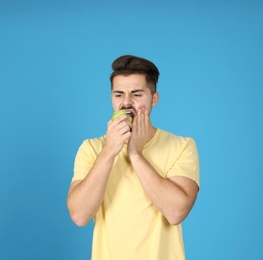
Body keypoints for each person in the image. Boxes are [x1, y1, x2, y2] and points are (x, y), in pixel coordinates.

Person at [67, 55, 200, 260]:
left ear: (153, 99)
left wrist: (135, 154)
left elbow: (175, 213)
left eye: (137, 94)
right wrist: (110, 151)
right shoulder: (92, 149)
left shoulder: (181, 146)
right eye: (119, 94)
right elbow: (79, 215)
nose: (126, 103)